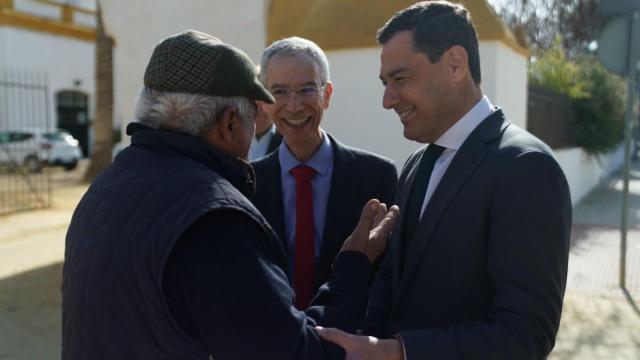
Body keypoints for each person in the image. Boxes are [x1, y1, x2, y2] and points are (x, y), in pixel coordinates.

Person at [61, 29, 399, 360]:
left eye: (305, 89)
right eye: (256, 115)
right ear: (229, 124)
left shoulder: (105, 187)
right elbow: (294, 352)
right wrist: (354, 265)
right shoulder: (213, 214)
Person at [317, 2, 572, 359]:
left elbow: (526, 335)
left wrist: (399, 353)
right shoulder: (416, 164)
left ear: (455, 63)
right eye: (385, 83)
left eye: (400, 79)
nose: (388, 100)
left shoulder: (526, 167)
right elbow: (392, 283)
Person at [251, 36, 398, 310]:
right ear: (264, 102)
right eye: (280, 92)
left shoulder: (376, 177)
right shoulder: (247, 183)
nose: (294, 106)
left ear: (327, 95)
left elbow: (386, 278)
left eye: (307, 89)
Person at [248, 66, 282, 161]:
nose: (260, 106)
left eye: (265, 98)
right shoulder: (230, 140)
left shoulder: (289, 141)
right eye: (255, 99)